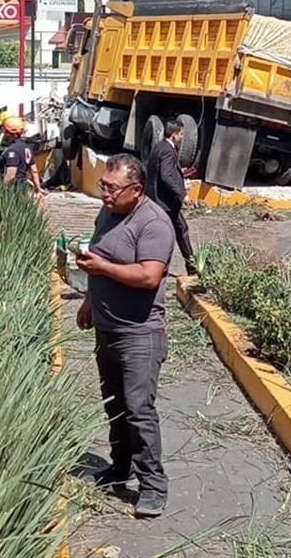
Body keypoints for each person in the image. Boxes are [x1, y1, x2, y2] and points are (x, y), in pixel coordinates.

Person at [75, 154, 175, 519]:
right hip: (107, 327)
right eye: (103, 185)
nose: (105, 194)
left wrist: (102, 268)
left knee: (138, 411)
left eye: (112, 188)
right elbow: (99, 255)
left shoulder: (154, 223)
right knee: (115, 404)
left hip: (140, 334)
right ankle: (121, 467)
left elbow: (149, 276)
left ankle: (153, 485)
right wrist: (89, 298)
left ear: (136, 189)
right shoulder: (108, 213)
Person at [145, 119, 196, 274]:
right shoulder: (167, 150)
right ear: (174, 134)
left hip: (157, 200)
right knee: (179, 231)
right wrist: (182, 194)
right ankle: (191, 267)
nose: (182, 137)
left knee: (178, 231)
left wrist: (181, 176)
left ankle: (191, 266)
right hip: (164, 203)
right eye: (181, 134)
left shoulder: (159, 147)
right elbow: (166, 176)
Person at [0, 117, 43, 195]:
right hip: (25, 188)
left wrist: (2, 192)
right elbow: (34, 171)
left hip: (14, 191)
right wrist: (38, 190)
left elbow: (11, 174)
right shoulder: (27, 148)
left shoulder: (12, 150)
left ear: (8, 133)